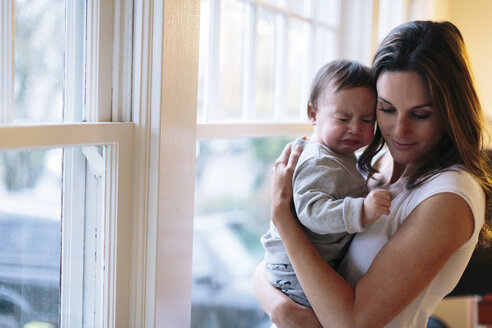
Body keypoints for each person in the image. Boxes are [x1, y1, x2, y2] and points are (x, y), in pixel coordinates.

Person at [254, 20, 492, 328]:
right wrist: (282, 309)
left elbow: (351, 323)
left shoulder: (448, 197)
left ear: (451, 111)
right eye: (387, 109)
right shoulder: (373, 161)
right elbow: (268, 267)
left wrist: (283, 218)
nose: (399, 131)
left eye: (420, 114)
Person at [260, 59, 390, 308]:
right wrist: (360, 210)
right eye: (343, 119)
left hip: (305, 265)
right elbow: (312, 212)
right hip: (293, 273)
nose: (355, 128)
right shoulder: (318, 161)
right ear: (313, 114)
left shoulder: (339, 156)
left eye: (366, 120)